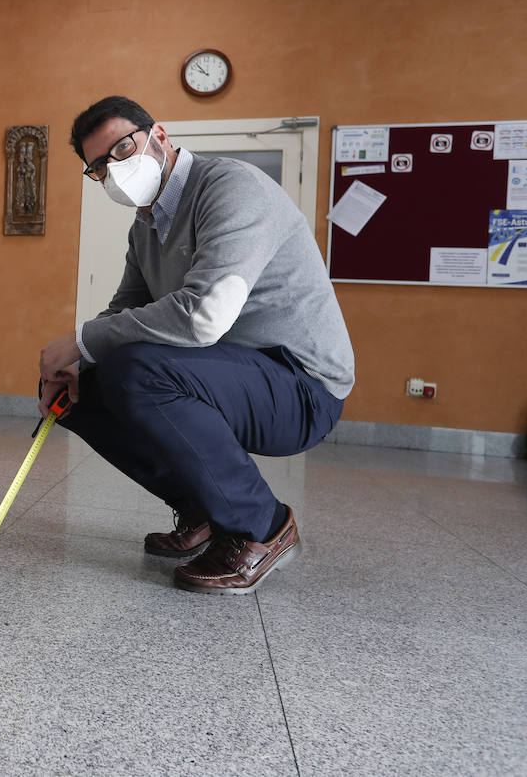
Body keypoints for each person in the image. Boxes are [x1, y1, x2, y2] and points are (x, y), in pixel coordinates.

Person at [39, 96, 354, 596]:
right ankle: (204, 509)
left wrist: (80, 339)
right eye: (99, 166)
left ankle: (262, 526)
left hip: (301, 387)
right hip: (231, 373)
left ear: (159, 136)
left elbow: (204, 316)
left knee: (136, 371)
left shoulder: (232, 188)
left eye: (123, 147)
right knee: (83, 388)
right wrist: (78, 358)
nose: (114, 169)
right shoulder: (145, 226)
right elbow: (123, 309)